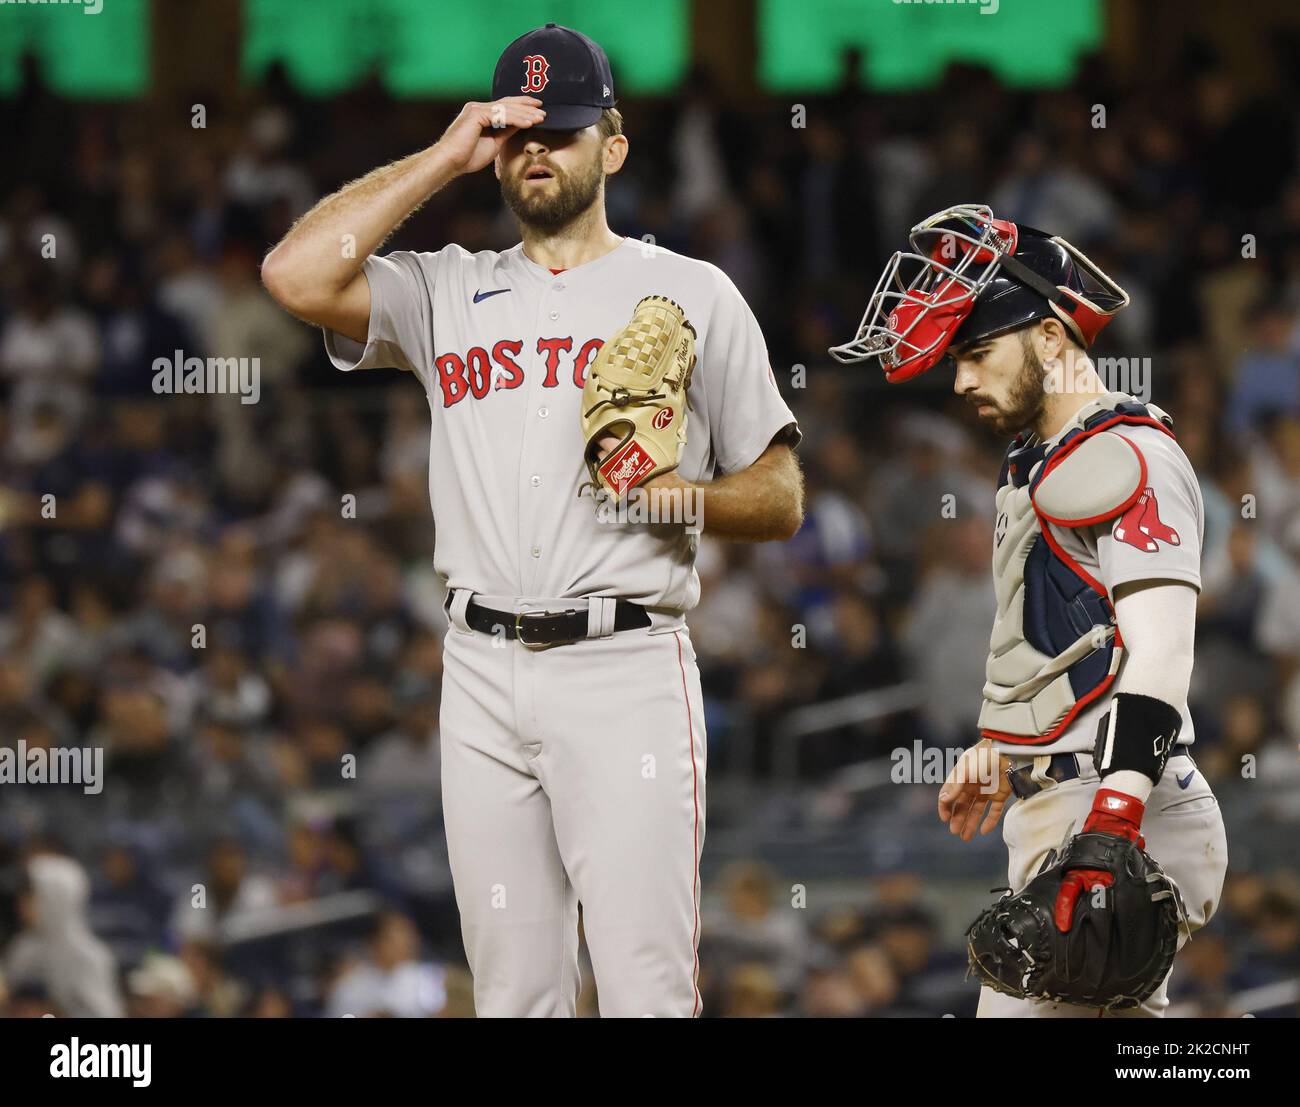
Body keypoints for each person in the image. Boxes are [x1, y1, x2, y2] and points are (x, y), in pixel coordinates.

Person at [262, 23, 803, 1017]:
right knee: (512, 991)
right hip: (477, 664)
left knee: (645, 988)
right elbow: (295, 278)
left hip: (624, 664)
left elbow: (778, 495)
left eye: (559, 129)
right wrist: (441, 156)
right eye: (516, 134)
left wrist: (673, 492)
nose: (536, 150)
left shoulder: (689, 290)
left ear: (615, 145)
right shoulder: (447, 289)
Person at [832, 203, 1227, 1016]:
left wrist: (1113, 820)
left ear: (1051, 336)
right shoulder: (1041, 459)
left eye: (976, 351)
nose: (961, 378)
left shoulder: (1127, 453)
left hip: (1119, 808)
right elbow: (1074, 638)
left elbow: (1160, 655)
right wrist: (1006, 746)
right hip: (1066, 801)